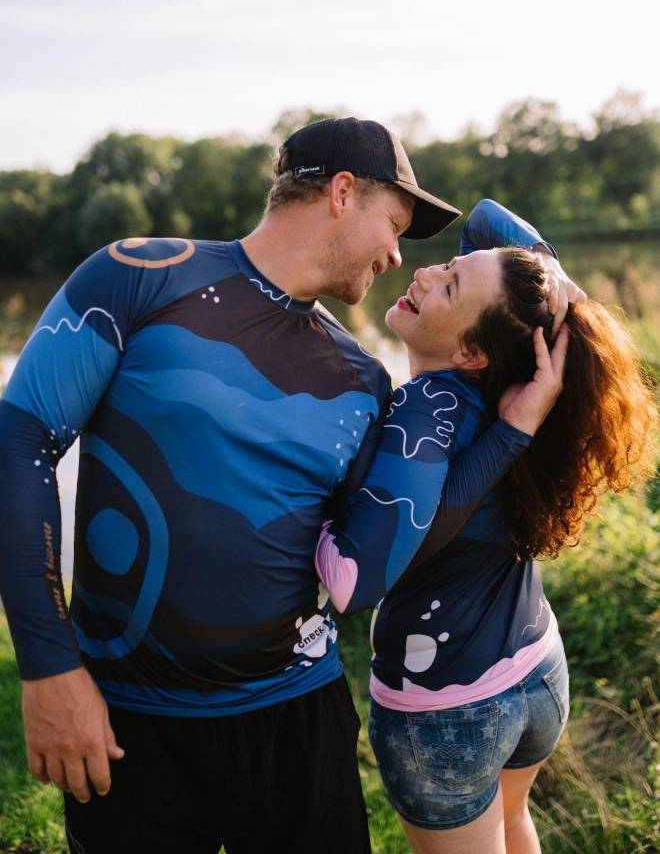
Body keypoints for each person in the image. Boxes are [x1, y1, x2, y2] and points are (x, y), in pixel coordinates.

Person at [0, 118, 571, 854]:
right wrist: (48, 666)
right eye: (395, 225)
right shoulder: (139, 276)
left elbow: (398, 543)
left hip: (298, 725)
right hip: (129, 722)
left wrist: (515, 424)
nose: (399, 255)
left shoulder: (363, 379)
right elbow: (20, 442)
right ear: (343, 193)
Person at [315, 199, 655, 854]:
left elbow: (359, 576)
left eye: (448, 284)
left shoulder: (426, 410)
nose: (423, 273)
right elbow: (485, 220)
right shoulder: (515, 385)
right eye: (445, 267)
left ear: (471, 351)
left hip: (449, 709)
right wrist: (557, 287)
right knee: (514, 822)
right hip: (536, 671)